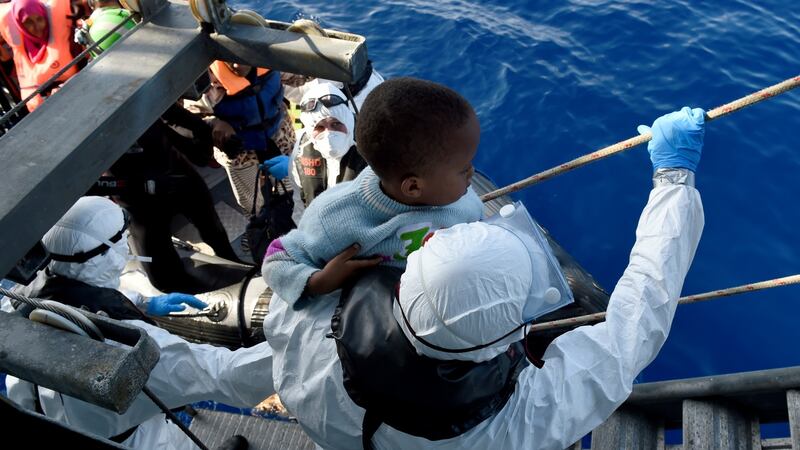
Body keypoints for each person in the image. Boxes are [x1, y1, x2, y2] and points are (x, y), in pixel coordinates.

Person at [266, 106, 706, 449]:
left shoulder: (309, 335)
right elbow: (639, 316)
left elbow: (238, 368)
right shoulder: (522, 425)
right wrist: (673, 179)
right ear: (508, 337)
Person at [262, 77, 486, 446]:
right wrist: (319, 281)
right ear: (414, 187)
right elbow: (277, 257)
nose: (472, 175)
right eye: (464, 168)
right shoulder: (336, 216)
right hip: (359, 336)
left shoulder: (463, 203)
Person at [3, 195, 274, 449]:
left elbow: (81, 290)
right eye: (123, 236)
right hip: (139, 439)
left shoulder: (20, 301)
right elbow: (227, 375)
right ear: (107, 252)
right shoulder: (128, 347)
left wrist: (145, 302)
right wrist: (304, 342)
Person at [283, 82, 366, 224]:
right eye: (320, 127)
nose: (329, 134)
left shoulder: (371, 149)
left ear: (346, 120)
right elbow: (299, 206)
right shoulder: (300, 151)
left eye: (336, 124)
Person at [0, 0, 82, 111]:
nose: (36, 26)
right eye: (28, 22)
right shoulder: (20, 49)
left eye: (39, 19)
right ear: (19, 25)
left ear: (45, 16)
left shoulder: (71, 38)